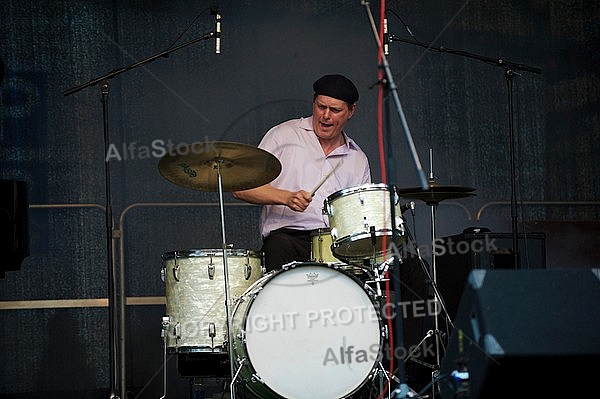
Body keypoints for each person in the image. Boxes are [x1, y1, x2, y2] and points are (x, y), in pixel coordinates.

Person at [233, 74, 372, 273]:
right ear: (313, 104)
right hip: (288, 239)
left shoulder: (357, 158)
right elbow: (241, 188)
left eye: (335, 110)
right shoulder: (283, 135)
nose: (326, 115)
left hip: (336, 245)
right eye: (321, 107)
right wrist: (286, 198)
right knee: (277, 248)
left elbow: (360, 217)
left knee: (411, 268)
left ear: (351, 111)